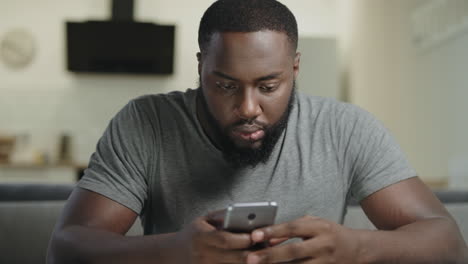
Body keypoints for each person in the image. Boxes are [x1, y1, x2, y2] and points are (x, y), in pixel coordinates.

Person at [47, 0, 467, 263]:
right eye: (226, 85)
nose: (248, 109)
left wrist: (356, 248)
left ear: (295, 69)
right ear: (200, 67)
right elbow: (66, 247)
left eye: (268, 87)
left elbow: (448, 242)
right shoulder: (145, 123)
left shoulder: (346, 129)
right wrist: (173, 252)